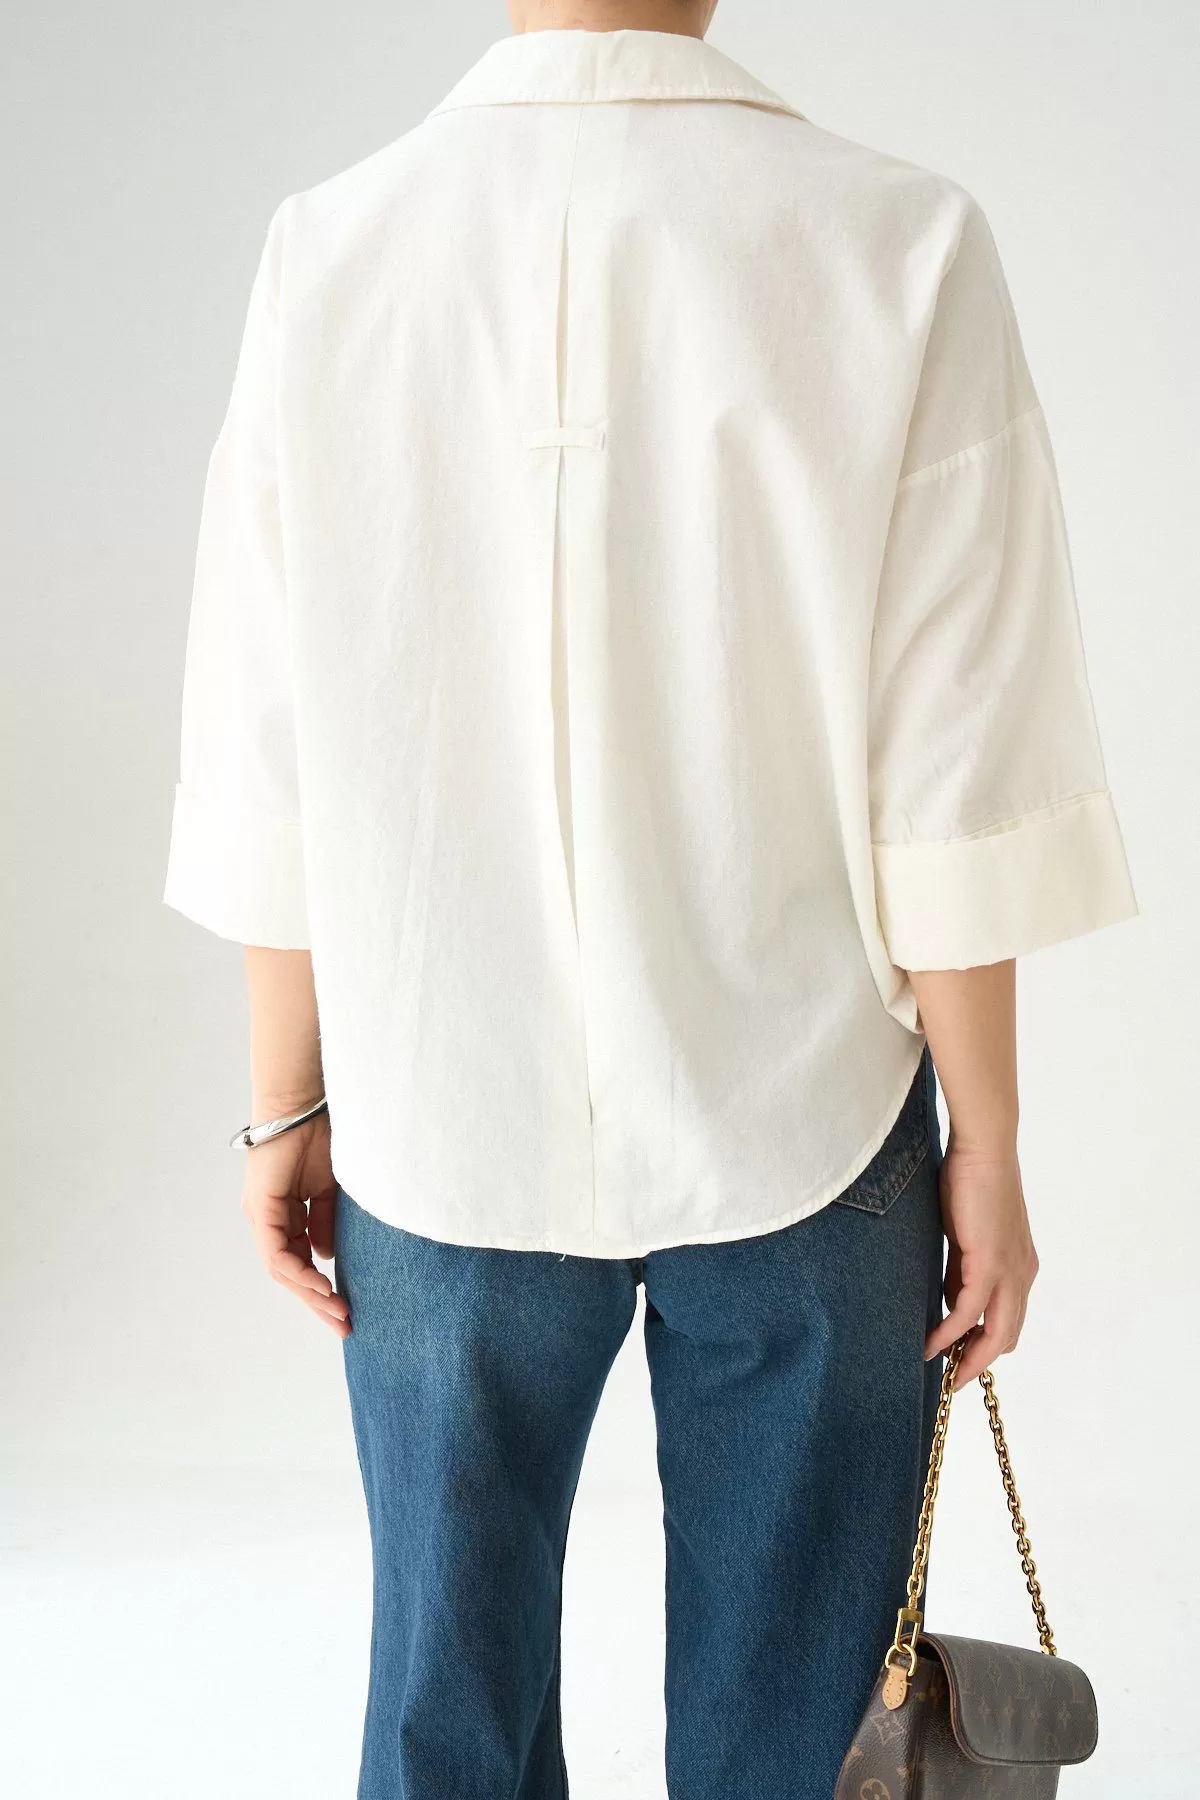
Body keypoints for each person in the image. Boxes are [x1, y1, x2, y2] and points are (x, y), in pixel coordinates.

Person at [162, 3, 1138, 1795]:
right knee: (810, 1727)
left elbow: (266, 745)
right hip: (813, 1109)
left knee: (445, 1720)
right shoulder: (900, 242)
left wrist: (284, 1101)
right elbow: (957, 757)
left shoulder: (333, 249)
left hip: (438, 1106)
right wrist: (989, 1143)